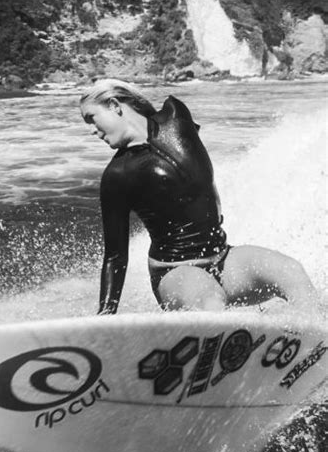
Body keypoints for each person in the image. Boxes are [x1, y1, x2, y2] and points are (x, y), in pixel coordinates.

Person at [80, 78, 318, 314]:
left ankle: (315, 345)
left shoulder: (176, 116)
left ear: (114, 105)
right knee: (210, 300)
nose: (91, 130)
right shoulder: (117, 176)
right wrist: (106, 313)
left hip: (224, 260)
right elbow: (115, 256)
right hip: (175, 273)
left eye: (91, 117)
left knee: (290, 271)